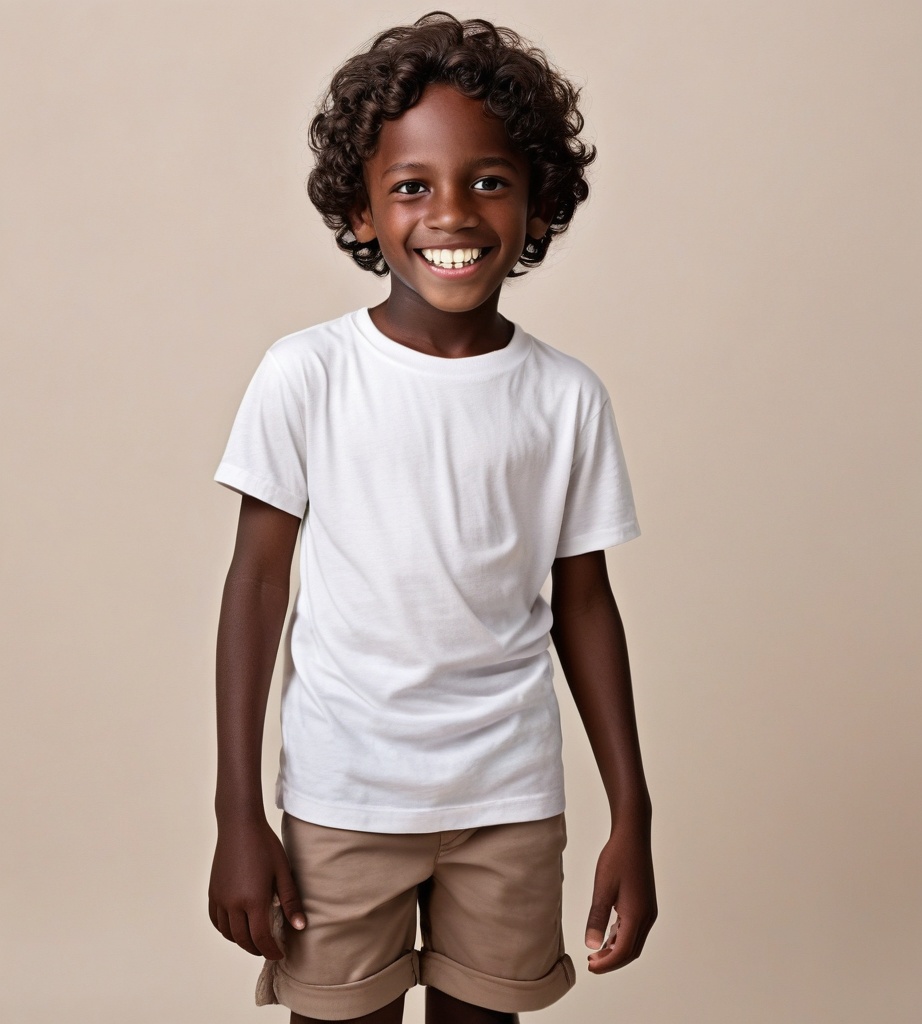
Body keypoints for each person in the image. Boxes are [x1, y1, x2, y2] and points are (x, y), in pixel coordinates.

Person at [208, 12, 656, 1024]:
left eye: (489, 181)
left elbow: (585, 605)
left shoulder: (565, 397)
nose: (451, 212)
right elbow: (257, 587)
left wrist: (632, 812)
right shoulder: (307, 375)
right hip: (343, 801)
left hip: (509, 802)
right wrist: (238, 813)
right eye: (411, 186)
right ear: (360, 210)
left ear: (538, 202)